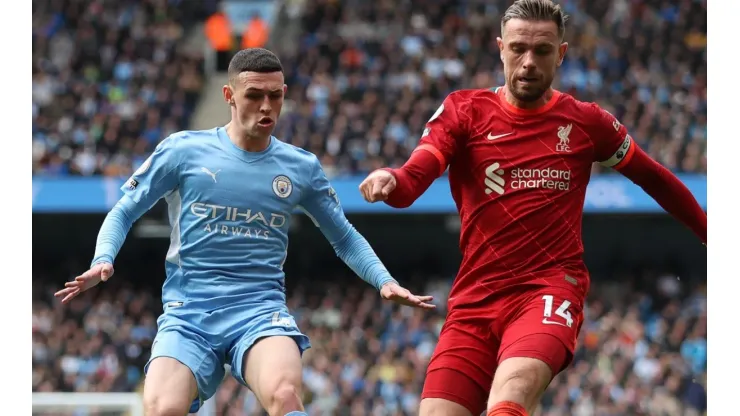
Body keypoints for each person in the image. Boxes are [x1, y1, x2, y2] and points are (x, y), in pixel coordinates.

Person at [358, 1, 707, 415]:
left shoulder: (586, 123)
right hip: (474, 300)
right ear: (501, 48)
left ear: (560, 53)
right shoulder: (464, 111)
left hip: (548, 288)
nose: (528, 62)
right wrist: (393, 179)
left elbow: (655, 178)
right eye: (518, 48)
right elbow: (417, 175)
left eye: (541, 51)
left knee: (513, 393)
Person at [55, 48, 434, 416]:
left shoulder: (300, 167)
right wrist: (103, 257)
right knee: (162, 408)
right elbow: (124, 211)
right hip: (189, 313)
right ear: (229, 95)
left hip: (260, 311)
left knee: (286, 396)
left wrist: (384, 281)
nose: (266, 107)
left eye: (275, 96)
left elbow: (344, 237)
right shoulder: (183, 151)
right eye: (254, 96)